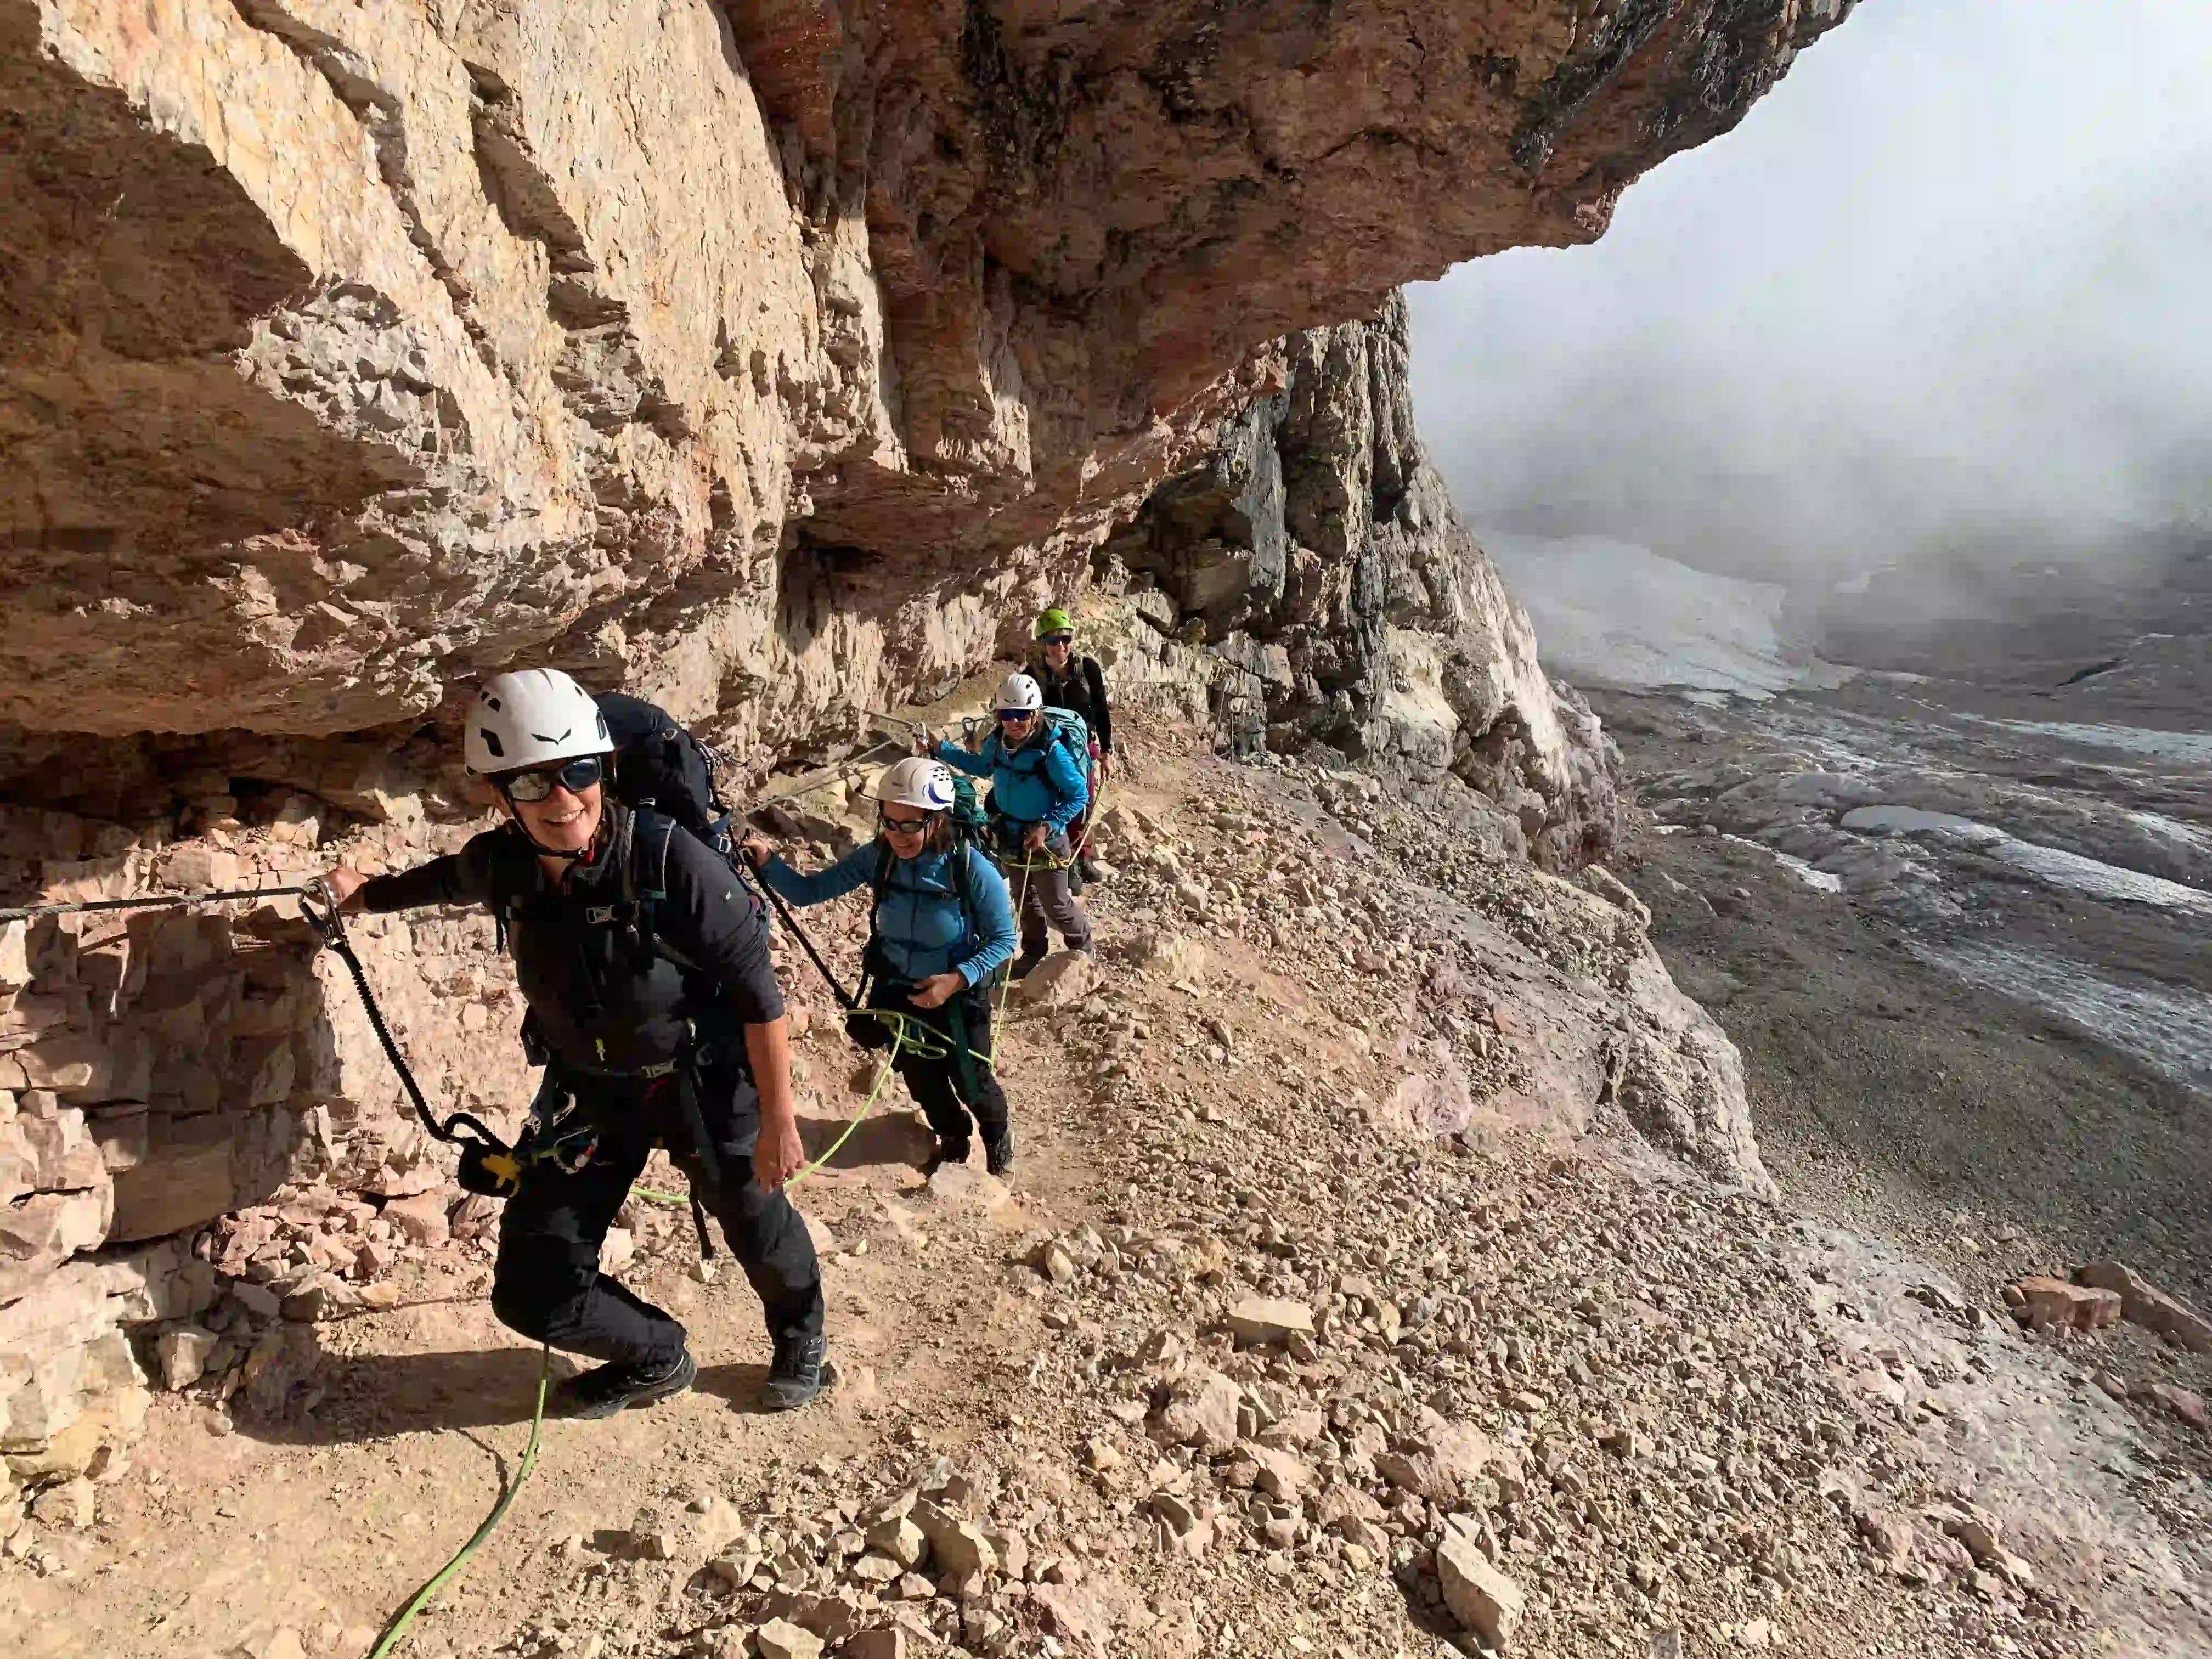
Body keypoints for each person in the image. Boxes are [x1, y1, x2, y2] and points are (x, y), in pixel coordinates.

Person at [319, 669, 830, 1419]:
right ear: (500, 797)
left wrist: (780, 1122)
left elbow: (760, 996)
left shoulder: (671, 862)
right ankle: (656, 1356)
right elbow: (442, 880)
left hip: (707, 1086)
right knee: (531, 1289)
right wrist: (365, 893)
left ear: (605, 770)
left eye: (579, 773)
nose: (563, 802)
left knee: (757, 1225)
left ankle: (802, 1337)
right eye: (531, 785)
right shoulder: (504, 866)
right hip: (592, 1095)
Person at [741, 759, 1019, 1177]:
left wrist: (956, 980)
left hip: (957, 993)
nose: (897, 834)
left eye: (910, 825)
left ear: (937, 820)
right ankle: (954, 1141)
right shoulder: (879, 857)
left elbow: (1004, 940)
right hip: (899, 989)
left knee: (972, 1079)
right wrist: (769, 863)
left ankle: (998, 1140)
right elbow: (809, 891)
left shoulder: (971, 868)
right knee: (922, 1078)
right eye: (889, 821)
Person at [926, 673, 1092, 977]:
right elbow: (982, 766)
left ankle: (1083, 948)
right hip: (1012, 835)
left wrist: (1048, 826)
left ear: (1035, 714)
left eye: (1022, 715)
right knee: (1024, 899)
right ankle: (1033, 953)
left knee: (1055, 904)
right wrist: (943, 750)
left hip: (1045, 839)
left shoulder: (1051, 751)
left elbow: (1078, 793)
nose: (1014, 722)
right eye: (1006, 715)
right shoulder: (998, 743)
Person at [1026, 607, 1114, 884]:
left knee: (1082, 804)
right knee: (1057, 803)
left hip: (1083, 749)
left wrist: (1107, 752)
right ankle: (1066, 862)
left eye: (1065, 639)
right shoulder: (1032, 676)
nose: (1061, 646)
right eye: (1053, 641)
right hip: (1049, 750)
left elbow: (1101, 711)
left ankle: (1082, 857)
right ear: (1043, 644)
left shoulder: (1087, 670)